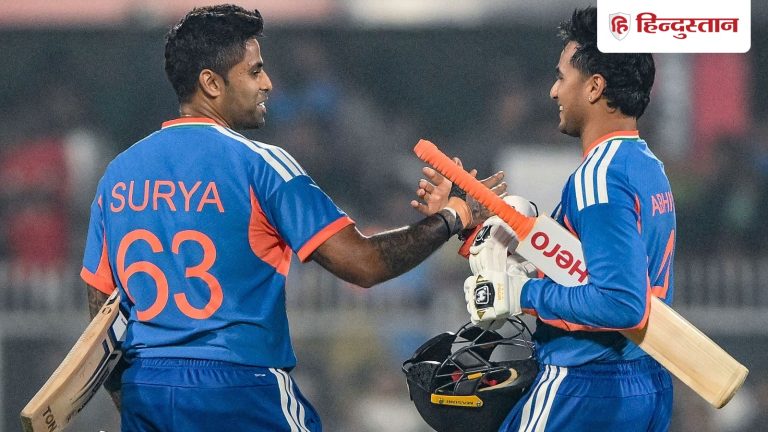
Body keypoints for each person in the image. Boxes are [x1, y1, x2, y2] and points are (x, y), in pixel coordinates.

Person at [80, 5, 504, 431]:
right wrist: (453, 215)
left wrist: (129, 396)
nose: (268, 83)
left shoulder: (118, 175)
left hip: (147, 390)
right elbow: (364, 264)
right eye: (255, 71)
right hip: (240, 388)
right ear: (211, 83)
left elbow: (100, 312)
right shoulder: (260, 165)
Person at [417, 6, 674, 431]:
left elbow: (622, 303)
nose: (554, 92)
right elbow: (574, 266)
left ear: (594, 87)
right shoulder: (646, 166)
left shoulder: (599, 178)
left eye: (561, 77)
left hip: (584, 382)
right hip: (647, 382)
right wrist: (469, 228)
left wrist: (521, 294)